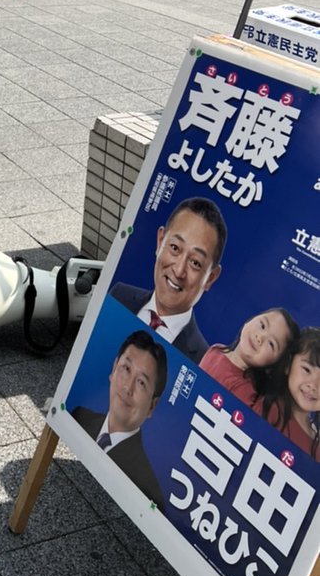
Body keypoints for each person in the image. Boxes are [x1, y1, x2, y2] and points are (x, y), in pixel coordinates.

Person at [110, 196, 227, 364]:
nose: (179, 271)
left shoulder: (202, 362)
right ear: (160, 242)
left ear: (210, 278)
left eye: (195, 263)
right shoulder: (119, 295)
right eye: (175, 248)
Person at [72, 329, 167, 512]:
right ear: (114, 368)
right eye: (126, 369)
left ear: (152, 406)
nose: (127, 388)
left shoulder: (148, 490)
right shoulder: (80, 416)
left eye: (141, 382)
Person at [200, 307, 298, 407]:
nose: (260, 337)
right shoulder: (217, 349)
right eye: (262, 325)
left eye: (271, 344)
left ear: (273, 364)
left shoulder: (245, 391)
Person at [259, 327, 320, 459]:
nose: (314, 386)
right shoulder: (268, 409)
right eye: (307, 370)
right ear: (288, 364)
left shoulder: (317, 448)